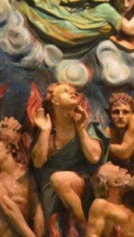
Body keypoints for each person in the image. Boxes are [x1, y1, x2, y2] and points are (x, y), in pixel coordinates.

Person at [31, 82, 109, 224]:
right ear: (55, 101)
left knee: (59, 179)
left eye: (74, 92)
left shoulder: (86, 124)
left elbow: (94, 157)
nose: (73, 93)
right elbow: (38, 162)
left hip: (79, 182)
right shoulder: (45, 128)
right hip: (48, 187)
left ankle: (84, 227)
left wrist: (80, 130)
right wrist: (45, 131)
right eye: (66, 91)